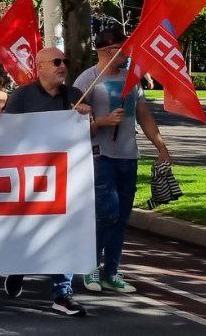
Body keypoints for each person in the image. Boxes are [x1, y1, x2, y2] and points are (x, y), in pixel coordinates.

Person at [73, 27, 172, 296]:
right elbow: (73, 122)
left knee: (121, 217)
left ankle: (111, 271)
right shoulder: (88, 80)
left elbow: (143, 113)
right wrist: (102, 122)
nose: (128, 55)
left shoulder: (132, 79)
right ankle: (89, 265)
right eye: (123, 49)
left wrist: (159, 144)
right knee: (107, 213)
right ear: (108, 50)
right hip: (100, 155)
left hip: (129, 155)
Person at [0, 46, 90, 317]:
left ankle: (62, 294)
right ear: (39, 67)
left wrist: (87, 118)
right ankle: (19, 264)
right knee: (30, 231)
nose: (62, 66)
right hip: (29, 178)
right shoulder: (22, 97)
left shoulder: (75, 96)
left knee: (64, 232)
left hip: (65, 178)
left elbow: (86, 134)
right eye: (56, 61)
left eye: (64, 61)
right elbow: (3, 134)